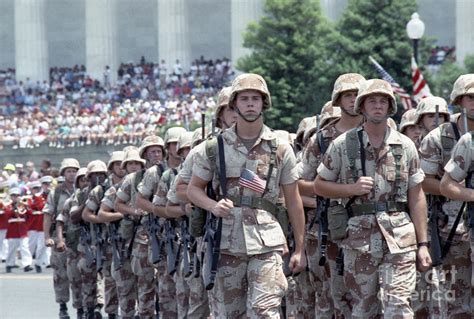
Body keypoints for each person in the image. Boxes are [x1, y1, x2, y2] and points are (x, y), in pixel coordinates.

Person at [188, 73, 306, 317]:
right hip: (225, 244)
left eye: (255, 98)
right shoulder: (214, 147)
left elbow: (293, 201)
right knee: (229, 314)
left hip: (267, 243)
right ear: (234, 104)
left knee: (265, 311)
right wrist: (212, 205)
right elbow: (192, 189)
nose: (250, 103)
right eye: (244, 99)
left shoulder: (280, 147)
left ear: (264, 103)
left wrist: (299, 249)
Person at [314, 79, 431, 318]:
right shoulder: (343, 144)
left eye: (383, 102)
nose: (378, 106)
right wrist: (350, 189)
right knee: (363, 310)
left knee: (398, 307)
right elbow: (319, 185)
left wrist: (423, 245)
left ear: (390, 107)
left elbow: (417, 196)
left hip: (400, 239)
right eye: (372, 101)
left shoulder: (405, 145)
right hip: (359, 241)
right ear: (362, 107)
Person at [299, 73, 365, 318]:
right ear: (338, 100)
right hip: (331, 228)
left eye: (357, 95)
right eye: (347, 95)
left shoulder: (383, 132)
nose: (353, 100)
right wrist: (335, 190)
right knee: (337, 296)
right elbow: (299, 183)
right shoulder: (322, 139)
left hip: (374, 228)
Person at [43, 158, 80, 319]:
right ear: (63, 173)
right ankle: (63, 306)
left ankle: (81, 307)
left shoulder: (84, 190)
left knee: (79, 275)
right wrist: (46, 237)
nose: (72, 174)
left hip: (80, 239)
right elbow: (47, 215)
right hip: (60, 238)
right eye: (69, 171)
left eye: (74, 171)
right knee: (60, 275)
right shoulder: (55, 193)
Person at [4, 187, 33, 273]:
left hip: (22, 230)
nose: (15, 197)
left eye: (17, 196)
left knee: (25, 247)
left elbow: (30, 215)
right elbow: (7, 215)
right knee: (11, 249)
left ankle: (27, 264)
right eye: (14, 196)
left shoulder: (23, 205)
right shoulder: (7, 206)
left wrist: (27, 208)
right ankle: (9, 264)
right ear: (11, 197)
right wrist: (14, 208)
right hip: (12, 230)